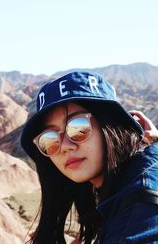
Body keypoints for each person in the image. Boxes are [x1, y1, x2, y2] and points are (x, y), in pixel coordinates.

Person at [20, 70, 158, 243]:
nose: (64, 147)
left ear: (110, 124)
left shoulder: (142, 204)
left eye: (78, 127)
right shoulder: (127, 180)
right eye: (49, 139)